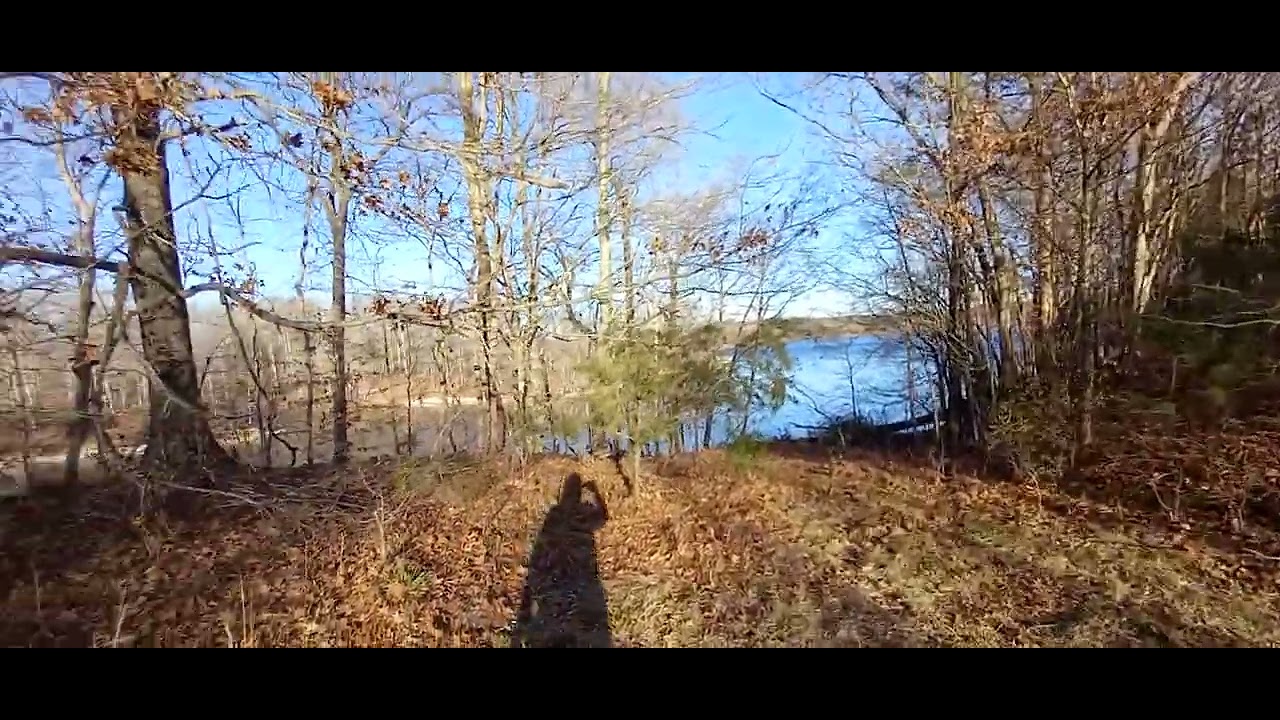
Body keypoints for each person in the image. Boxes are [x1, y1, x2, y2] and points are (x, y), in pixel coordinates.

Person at [512, 473, 611, 648]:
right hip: (580, 575)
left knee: (559, 619)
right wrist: (595, 491)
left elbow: (542, 547)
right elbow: (603, 516)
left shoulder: (555, 514)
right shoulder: (583, 512)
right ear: (578, 493)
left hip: (558, 577)